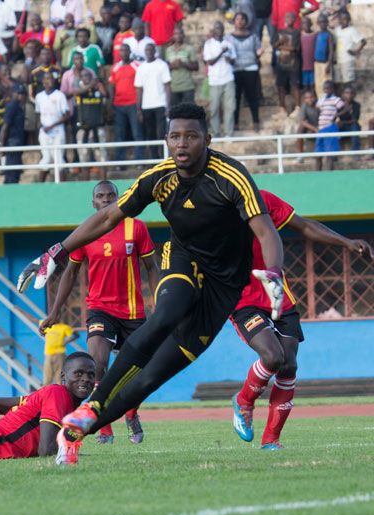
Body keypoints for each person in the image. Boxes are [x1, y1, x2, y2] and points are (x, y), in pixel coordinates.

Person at [16, 103, 286, 466]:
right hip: (183, 259)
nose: (182, 144)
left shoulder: (232, 177)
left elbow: (266, 230)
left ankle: (76, 431)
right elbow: (109, 216)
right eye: (175, 136)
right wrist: (58, 251)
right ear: (166, 139)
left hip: (224, 288)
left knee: (148, 380)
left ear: (207, 139)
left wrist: (274, 272)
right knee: (165, 314)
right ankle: (95, 402)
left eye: (191, 136)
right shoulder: (158, 177)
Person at [231, 190, 374, 449]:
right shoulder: (213, 211)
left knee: (289, 365)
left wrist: (346, 242)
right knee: (273, 357)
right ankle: (244, 401)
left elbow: (304, 225)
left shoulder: (262, 199)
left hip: (279, 296)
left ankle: (271, 441)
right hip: (242, 300)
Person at [42, 181, 159, 444]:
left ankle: (131, 412)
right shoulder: (86, 232)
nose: (106, 200)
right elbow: (70, 273)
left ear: (119, 199)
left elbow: (151, 267)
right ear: (93, 203)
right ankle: (103, 425)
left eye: (111, 196)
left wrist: (159, 303)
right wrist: (55, 312)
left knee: (141, 372)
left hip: (133, 313)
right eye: (100, 196)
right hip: (99, 309)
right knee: (97, 365)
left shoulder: (135, 227)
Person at [134, 43, 170, 160]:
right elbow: (139, 89)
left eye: (151, 49)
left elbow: (167, 86)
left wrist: (168, 105)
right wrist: (138, 109)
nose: (149, 52)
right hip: (146, 105)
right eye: (147, 50)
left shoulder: (162, 65)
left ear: (155, 51)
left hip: (160, 103)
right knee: (150, 133)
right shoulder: (141, 67)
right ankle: (154, 158)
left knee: (162, 132)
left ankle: (164, 156)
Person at [228, 12, 262, 132]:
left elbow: (258, 48)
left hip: (250, 68)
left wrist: (259, 53)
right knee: (236, 97)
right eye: (237, 19)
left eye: (243, 19)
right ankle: (235, 123)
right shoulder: (229, 37)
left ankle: (256, 121)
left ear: (246, 22)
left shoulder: (253, 35)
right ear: (234, 21)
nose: (240, 21)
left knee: (252, 96)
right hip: (235, 69)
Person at [109, 43, 143, 163]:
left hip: (133, 103)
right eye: (121, 51)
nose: (123, 53)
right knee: (120, 134)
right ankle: (120, 162)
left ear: (129, 52)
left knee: (137, 133)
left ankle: (139, 160)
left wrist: (139, 106)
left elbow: (141, 86)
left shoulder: (137, 66)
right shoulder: (115, 67)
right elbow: (112, 87)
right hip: (119, 105)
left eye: (126, 50)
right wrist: (111, 105)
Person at [203, 21, 236, 138]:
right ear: (214, 30)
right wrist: (221, 52)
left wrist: (229, 60)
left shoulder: (229, 44)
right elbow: (210, 62)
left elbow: (234, 60)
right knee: (214, 108)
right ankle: (216, 134)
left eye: (221, 28)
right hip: (215, 80)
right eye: (217, 28)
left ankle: (228, 134)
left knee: (230, 107)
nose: (219, 30)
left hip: (228, 78)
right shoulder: (208, 44)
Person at [35, 71, 69, 183]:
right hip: (44, 133)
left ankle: (62, 186)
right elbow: (38, 113)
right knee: (46, 159)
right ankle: (40, 186)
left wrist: (52, 125)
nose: (50, 81)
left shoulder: (60, 95)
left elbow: (67, 115)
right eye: (47, 79)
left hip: (58, 132)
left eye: (52, 79)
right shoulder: (39, 96)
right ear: (43, 81)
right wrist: (39, 123)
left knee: (59, 159)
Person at [273, 12, 301, 114]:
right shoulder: (280, 32)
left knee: (295, 85)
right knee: (281, 86)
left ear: (295, 20)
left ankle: (298, 107)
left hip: (293, 63)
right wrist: (281, 41)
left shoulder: (296, 33)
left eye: (291, 17)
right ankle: (282, 108)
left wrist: (280, 46)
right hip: (281, 63)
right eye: (287, 17)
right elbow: (274, 45)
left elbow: (294, 48)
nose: (289, 19)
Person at [314, 80, 345, 172]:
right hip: (321, 128)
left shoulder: (336, 99)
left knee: (329, 154)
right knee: (318, 154)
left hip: (330, 127)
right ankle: (317, 175)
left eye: (328, 88)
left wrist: (336, 115)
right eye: (324, 88)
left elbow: (346, 108)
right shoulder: (322, 99)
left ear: (332, 89)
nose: (326, 90)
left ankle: (329, 174)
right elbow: (317, 108)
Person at [332, 11, 365, 89]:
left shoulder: (352, 30)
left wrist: (356, 51)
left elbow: (363, 42)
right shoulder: (337, 30)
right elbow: (333, 44)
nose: (344, 21)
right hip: (338, 59)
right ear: (339, 20)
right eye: (342, 19)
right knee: (337, 82)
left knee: (348, 81)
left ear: (349, 20)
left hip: (347, 60)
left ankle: (348, 99)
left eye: (346, 19)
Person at [165, 27, 197, 106]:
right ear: (173, 36)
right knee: (175, 113)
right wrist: (172, 66)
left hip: (187, 86)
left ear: (183, 35)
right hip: (174, 87)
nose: (178, 36)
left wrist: (183, 64)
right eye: (176, 34)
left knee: (190, 111)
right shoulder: (169, 50)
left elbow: (196, 67)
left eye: (180, 33)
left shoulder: (189, 49)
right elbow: (165, 68)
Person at [1, 83, 25, 184]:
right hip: (12, 143)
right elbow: (5, 127)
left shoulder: (18, 106)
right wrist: (2, 145)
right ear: (13, 94)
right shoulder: (12, 106)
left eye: (22, 93)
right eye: (18, 93)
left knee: (15, 173)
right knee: (11, 173)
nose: (21, 96)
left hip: (17, 142)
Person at [312, 14, 333, 100]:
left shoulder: (329, 35)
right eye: (320, 22)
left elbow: (331, 50)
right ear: (317, 23)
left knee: (326, 83)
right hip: (317, 63)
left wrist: (329, 64)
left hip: (325, 63)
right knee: (318, 83)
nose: (323, 24)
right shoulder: (317, 34)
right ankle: (320, 101)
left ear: (327, 23)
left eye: (324, 22)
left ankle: (328, 100)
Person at [295, 88, 318, 161]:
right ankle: (299, 154)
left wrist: (317, 128)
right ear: (304, 99)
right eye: (307, 98)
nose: (309, 99)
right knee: (300, 128)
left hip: (321, 126)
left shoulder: (319, 105)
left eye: (311, 97)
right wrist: (314, 129)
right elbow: (302, 121)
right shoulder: (304, 106)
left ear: (315, 97)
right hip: (312, 128)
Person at [336, 84, 360, 151]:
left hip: (351, 126)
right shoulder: (339, 105)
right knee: (334, 128)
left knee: (355, 127)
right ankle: (333, 155)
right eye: (347, 93)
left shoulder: (356, 105)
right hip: (342, 127)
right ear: (343, 94)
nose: (349, 95)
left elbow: (355, 120)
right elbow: (334, 116)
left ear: (354, 95)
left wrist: (343, 122)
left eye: (351, 93)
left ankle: (356, 152)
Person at [299, 15, 315, 95]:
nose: (306, 25)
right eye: (303, 23)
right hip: (304, 63)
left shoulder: (315, 34)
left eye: (307, 23)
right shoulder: (300, 34)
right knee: (305, 82)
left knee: (312, 83)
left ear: (311, 24)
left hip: (313, 63)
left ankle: (313, 96)